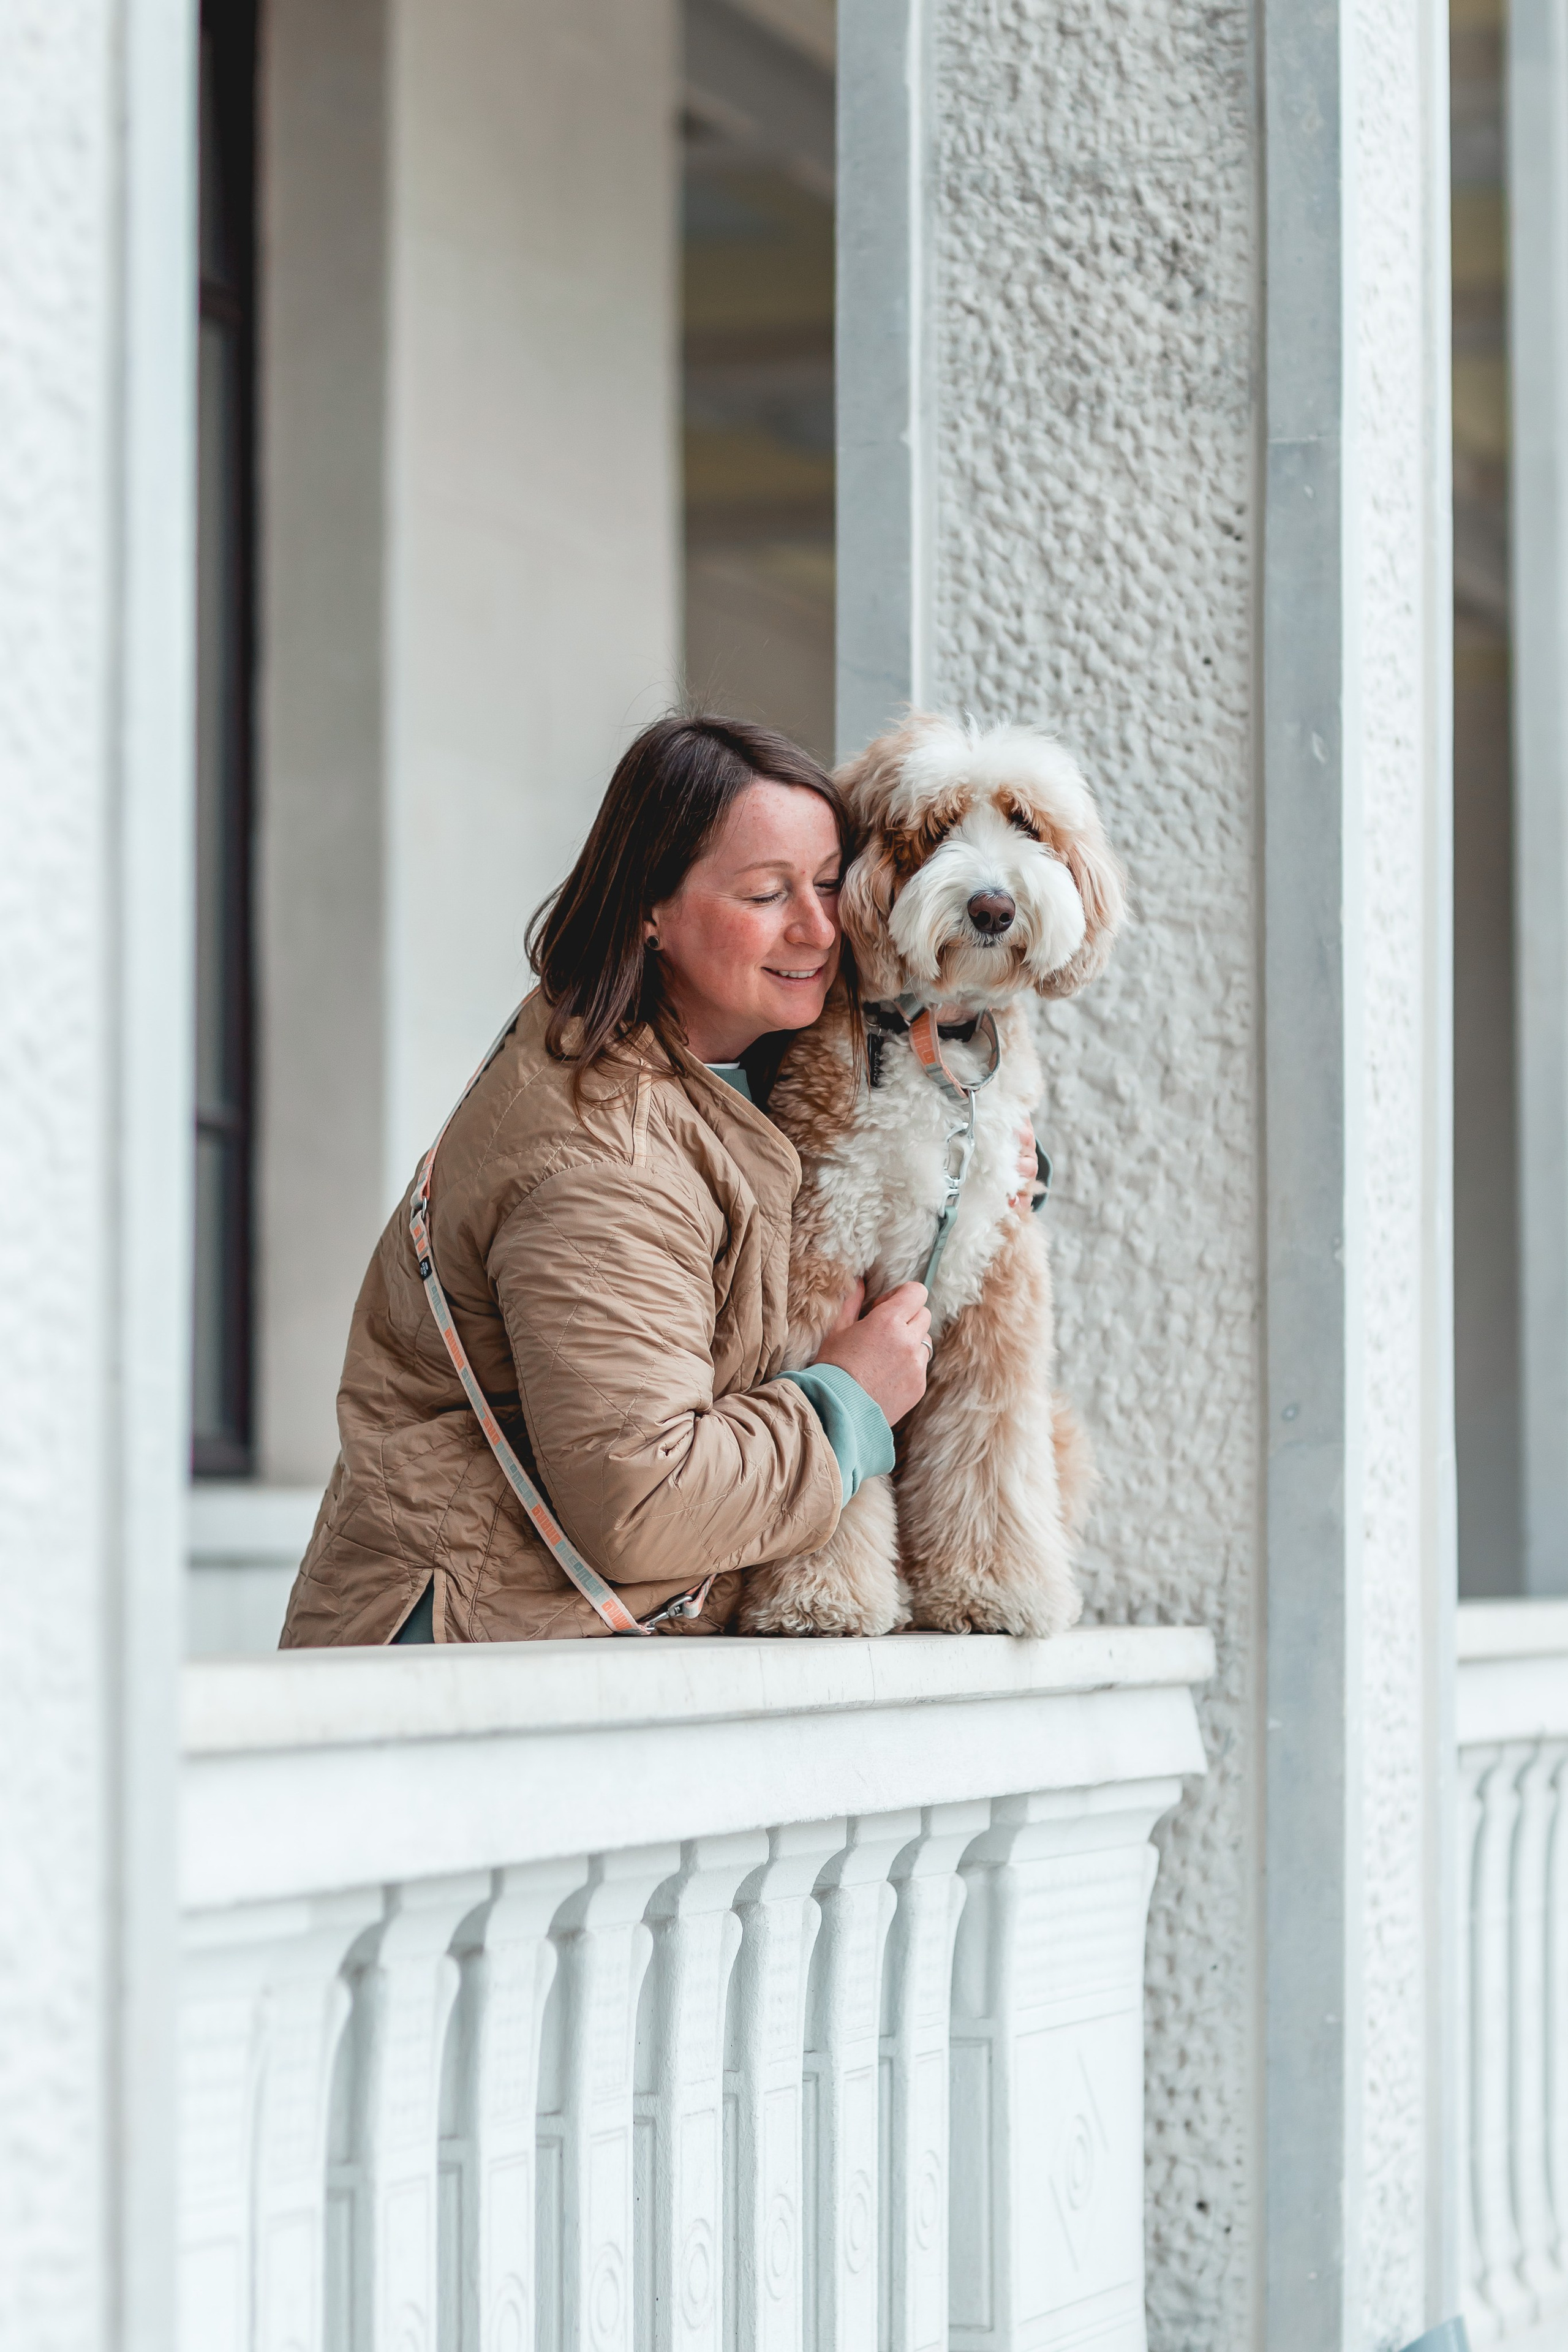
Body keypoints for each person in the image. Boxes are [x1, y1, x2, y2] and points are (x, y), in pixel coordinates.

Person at [278, 714, 935, 1645]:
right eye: (765, 894)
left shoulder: (718, 1060)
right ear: (648, 910)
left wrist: (975, 1172)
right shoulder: (605, 1165)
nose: (819, 928)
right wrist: (848, 1400)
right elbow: (645, 1502)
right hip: (475, 1676)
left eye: (830, 885)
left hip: (554, 1659)